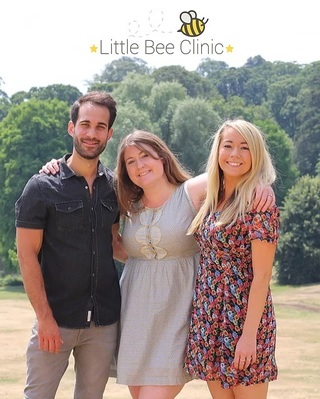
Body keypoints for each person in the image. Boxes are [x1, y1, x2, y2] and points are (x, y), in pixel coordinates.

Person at [39, 129, 275, 399]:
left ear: (162, 157)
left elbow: (232, 169)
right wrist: (58, 164)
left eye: (146, 156)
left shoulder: (193, 191)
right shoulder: (127, 202)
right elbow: (114, 241)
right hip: (135, 314)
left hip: (179, 313)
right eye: (130, 161)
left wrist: (262, 184)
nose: (139, 165)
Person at [15, 91, 124, 399]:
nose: (92, 133)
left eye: (100, 127)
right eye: (85, 124)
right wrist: (45, 318)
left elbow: (115, 242)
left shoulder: (115, 187)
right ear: (71, 128)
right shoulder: (41, 187)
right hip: (56, 321)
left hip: (103, 322)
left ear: (109, 133)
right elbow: (26, 255)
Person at [184, 119, 280, 399]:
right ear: (218, 151)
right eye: (228, 146)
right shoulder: (210, 200)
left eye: (244, 147)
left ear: (256, 155)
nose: (234, 154)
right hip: (209, 320)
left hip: (244, 323)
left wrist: (249, 337)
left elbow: (262, 276)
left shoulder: (259, 203)